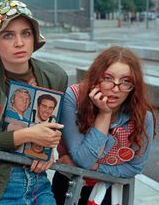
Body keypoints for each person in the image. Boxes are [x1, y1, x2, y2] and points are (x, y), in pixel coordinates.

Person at [0, 0, 68, 204]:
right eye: (8, 35)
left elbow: (58, 128)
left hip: (40, 182)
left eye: (26, 33)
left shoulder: (54, 76)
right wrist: (25, 135)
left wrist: (50, 152)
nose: (19, 43)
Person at [52, 46, 156, 205]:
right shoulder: (74, 97)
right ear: (95, 77)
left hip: (109, 190)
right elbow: (84, 159)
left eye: (126, 82)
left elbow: (134, 168)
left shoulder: (143, 117)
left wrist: (95, 168)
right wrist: (105, 114)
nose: (115, 89)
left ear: (134, 86)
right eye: (108, 78)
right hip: (68, 184)